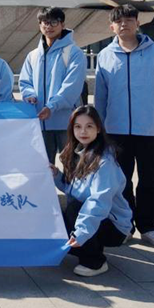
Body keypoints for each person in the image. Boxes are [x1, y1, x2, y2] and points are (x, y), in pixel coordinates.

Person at [94, 4, 154, 249]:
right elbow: (101, 96)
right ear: (112, 26)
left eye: (129, 20)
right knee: (122, 182)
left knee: (151, 180)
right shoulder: (105, 56)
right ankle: (126, 226)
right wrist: (100, 129)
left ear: (138, 23)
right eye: (119, 21)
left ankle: (150, 227)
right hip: (115, 131)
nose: (124, 24)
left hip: (150, 130)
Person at [52, 105, 132, 277]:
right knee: (59, 211)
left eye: (89, 126)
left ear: (98, 129)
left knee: (75, 208)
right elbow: (74, 190)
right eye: (78, 126)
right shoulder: (77, 153)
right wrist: (57, 175)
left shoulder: (105, 162)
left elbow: (98, 202)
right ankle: (83, 247)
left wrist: (81, 233)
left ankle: (95, 261)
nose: (83, 131)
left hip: (114, 225)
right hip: (93, 218)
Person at [19, 7, 87, 163]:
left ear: (62, 24)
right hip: (40, 123)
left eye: (54, 22)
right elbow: (25, 82)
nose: (49, 26)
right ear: (39, 25)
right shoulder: (33, 55)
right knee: (43, 169)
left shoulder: (74, 53)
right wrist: (29, 96)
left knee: (72, 167)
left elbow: (72, 86)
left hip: (67, 122)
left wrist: (51, 106)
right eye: (45, 22)